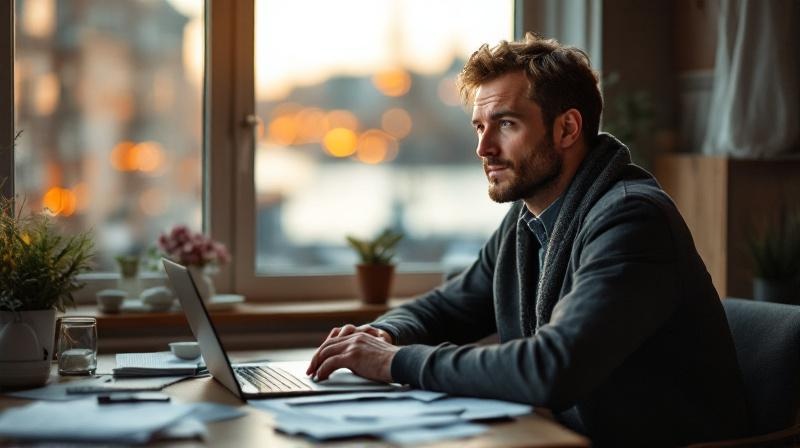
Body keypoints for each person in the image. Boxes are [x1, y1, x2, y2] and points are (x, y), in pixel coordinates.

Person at [306, 33, 750, 447]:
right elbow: (449, 306)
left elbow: (551, 369)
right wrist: (381, 333)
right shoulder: (527, 221)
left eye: (506, 124)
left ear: (567, 129)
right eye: (480, 127)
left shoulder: (632, 219)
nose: (484, 148)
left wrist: (391, 361)